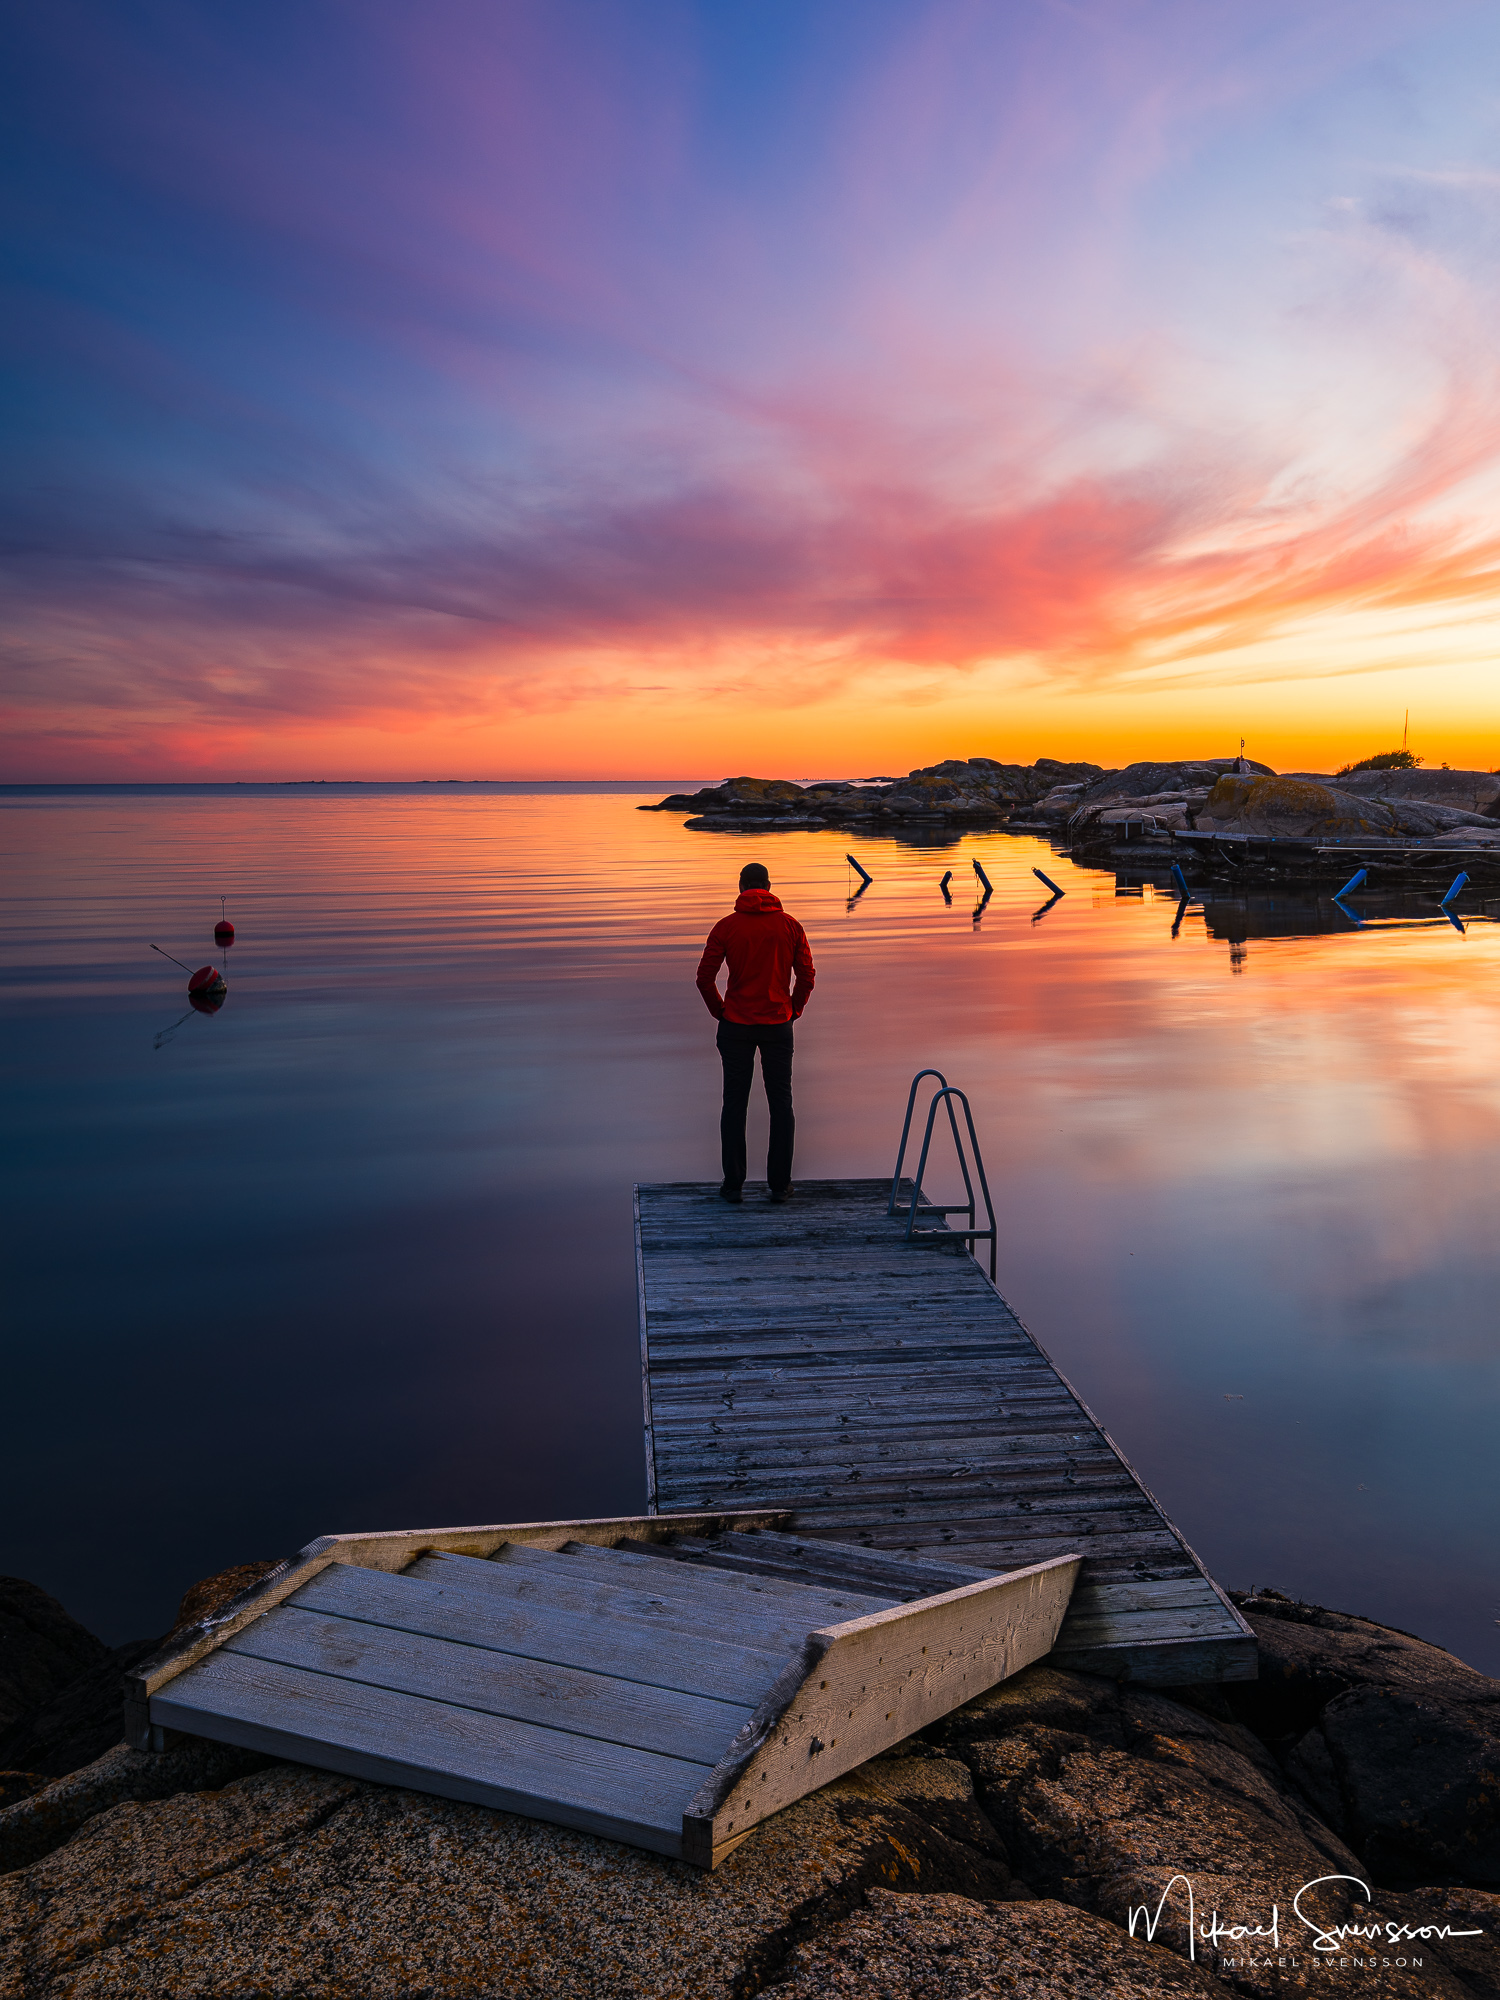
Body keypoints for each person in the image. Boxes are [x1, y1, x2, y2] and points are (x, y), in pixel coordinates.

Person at [696, 862, 815, 1203]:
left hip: (735, 1025)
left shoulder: (726, 927)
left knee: (734, 1102)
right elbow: (806, 976)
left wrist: (719, 1010)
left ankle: (733, 1185)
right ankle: (779, 1186)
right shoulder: (791, 926)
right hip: (778, 1023)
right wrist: (795, 1008)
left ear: (741, 887)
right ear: (768, 886)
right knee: (781, 1103)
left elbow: (704, 978)